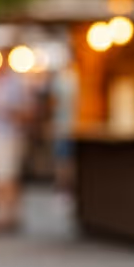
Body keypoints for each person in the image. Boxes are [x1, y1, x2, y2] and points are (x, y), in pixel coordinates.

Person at [0, 58, 31, 234]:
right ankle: (3, 215)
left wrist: (6, 110)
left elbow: (27, 111)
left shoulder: (14, 83)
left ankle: (7, 216)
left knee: (7, 177)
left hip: (7, 135)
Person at [49, 61, 78, 196]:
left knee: (63, 159)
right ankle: (66, 189)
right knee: (67, 159)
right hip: (69, 126)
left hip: (64, 126)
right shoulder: (74, 77)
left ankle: (63, 189)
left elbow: (53, 104)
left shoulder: (61, 79)